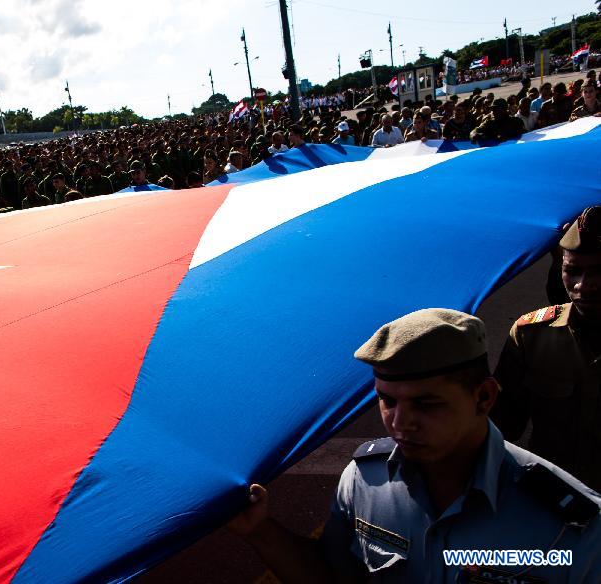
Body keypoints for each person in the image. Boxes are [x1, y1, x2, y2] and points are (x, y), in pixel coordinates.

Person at [231, 308, 601, 582]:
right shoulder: (364, 481)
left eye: (426, 404)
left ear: (484, 397)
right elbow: (333, 575)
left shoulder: (571, 525)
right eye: (387, 400)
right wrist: (259, 532)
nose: (399, 422)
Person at [493, 206, 601, 492]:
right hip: (551, 508)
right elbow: (498, 429)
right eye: (572, 271)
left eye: (599, 271)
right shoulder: (532, 335)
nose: (583, 285)